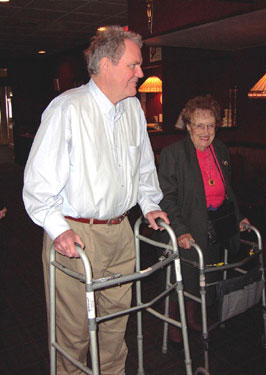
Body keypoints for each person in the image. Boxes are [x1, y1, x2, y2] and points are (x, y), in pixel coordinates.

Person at [23, 26, 169, 375]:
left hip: (120, 234)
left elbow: (144, 169)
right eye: (134, 65)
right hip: (75, 236)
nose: (141, 72)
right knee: (72, 334)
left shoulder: (133, 109)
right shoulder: (67, 109)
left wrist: (149, 204)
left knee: (115, 328)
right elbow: (38, 185)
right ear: (106, 64)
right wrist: (58, 230)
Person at [158, 94, 249, 344]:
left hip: (217, 220)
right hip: (188, 224)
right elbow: (166, 197)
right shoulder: (173, 154)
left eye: (210, 125)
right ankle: (178, 323)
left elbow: (227, 188)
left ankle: (196, 314)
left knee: (208, 273)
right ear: (188, 126)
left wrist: (238, 218)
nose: (206, 131)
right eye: (199, 125)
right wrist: (180, 230)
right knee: (186, 275)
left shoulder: (219, 149)